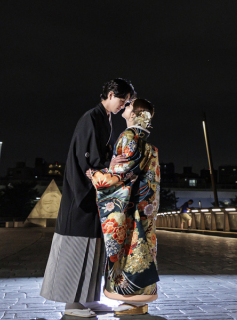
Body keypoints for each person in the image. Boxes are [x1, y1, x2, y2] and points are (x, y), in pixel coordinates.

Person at [40, 78, 135, 318]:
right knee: (76, 247)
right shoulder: (91, 118)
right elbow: (88, 159)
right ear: (110, 94)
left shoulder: (105, 118)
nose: (123, 105)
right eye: (122, 100)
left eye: (126, 102)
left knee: (95, 247)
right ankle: (72, 305)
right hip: (81, 194)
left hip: (94, 192)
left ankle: (89, 300)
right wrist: (109, 164)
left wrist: (108, 164)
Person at [88, 98, 160, 316]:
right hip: (145, 204)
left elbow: (121, 173)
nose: (125, 106)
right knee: (144, 247)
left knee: (130, 247)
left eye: (129, 105)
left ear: (135, 114)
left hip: (132, 206)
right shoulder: (145, 142)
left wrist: (96, 174)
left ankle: (132, 300)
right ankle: (140, 301)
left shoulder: (129, 137)